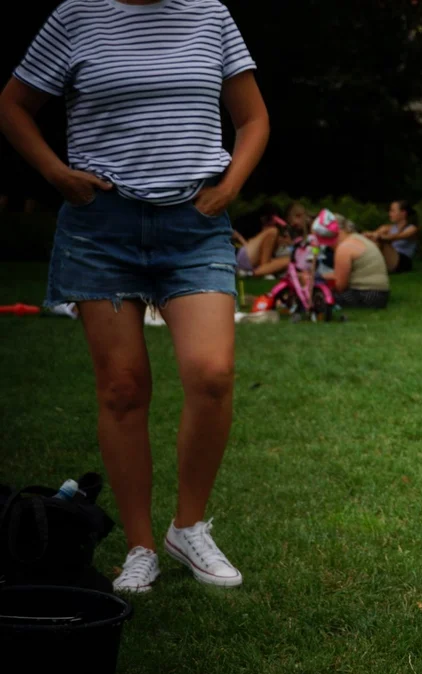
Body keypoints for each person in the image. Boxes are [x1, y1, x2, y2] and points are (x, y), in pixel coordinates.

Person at [0, 0, 269, 592]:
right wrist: (53, 172)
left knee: (213, 373)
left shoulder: (211, 16)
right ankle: (142, 545)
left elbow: (253, 120)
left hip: (194, 226)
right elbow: (15, 105)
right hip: (101, 229)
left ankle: (188, 527)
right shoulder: (74, 17)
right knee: (122, 389)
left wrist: (231, 186)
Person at [327, 213, 390, 308]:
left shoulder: (344, 247)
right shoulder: (358, 239)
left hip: (365, 294)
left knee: (325, 296)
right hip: (381, 294)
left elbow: (340, 285)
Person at [232, 203, 292, 277]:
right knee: (285, 261)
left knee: (286, 261)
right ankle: (253, 273)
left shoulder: (262, 233)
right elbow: (264, 263)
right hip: (248, 259)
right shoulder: (272, 231)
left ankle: (252, 273)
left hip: (246, 257)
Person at [366, 199, 419, 273]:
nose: (389, 214)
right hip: (390, 258)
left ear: (403, 213)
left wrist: (378, 236)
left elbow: (396, 237)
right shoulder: (387, 228)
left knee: (380, 241)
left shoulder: (412, 228)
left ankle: (367, 269)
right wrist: (367, 235)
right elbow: (372, 236)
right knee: (372, 240)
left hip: (403, 262)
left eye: (393, 211)